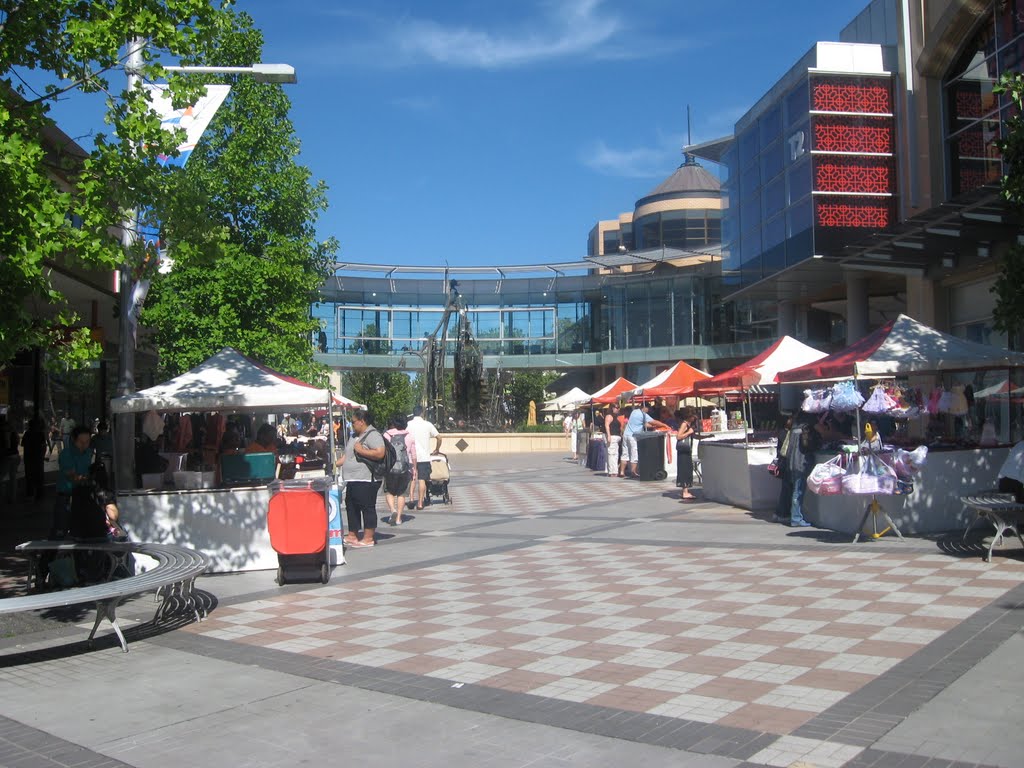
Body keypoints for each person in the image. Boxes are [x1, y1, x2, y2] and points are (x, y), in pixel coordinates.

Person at [335, 408, 386, 548]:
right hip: (352, 479)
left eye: (353, 422)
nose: (351, 425)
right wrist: (334, 465)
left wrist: (361, 450)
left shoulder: (372, 434)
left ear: (362, 421)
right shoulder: (354, 436)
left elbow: (380, 453)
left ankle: (368, 537)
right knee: (351, 506)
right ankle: (352, 535)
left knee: (367, 507)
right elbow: (347, 456)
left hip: (366, 479)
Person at [53, 426, 94, 538]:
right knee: (60, 530)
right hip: (66, 496)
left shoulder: (89, 452)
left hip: (82, 495)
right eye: (81, 442)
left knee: (81, 530)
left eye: (87, 442)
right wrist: (89, 479)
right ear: (73, 440)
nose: (84, 445)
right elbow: (72, 476)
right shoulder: (66, 454)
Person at [785, 414, 821, 528]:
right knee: (798, 490)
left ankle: (796, 516)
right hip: (801, 461)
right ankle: (796, 518)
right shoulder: (807, 426)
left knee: (796, 489)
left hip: (793, 461)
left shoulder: (795, 427)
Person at [382, 414, 417, 526]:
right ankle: (398, 519)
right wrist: (415, 468)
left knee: (389, 491)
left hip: (390, 469)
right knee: (402, 494)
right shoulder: (409, 436)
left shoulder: (387, 435)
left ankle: (393, 510)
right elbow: (414, 454)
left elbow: (383, 452)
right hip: (405, 469)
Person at [620, 402, 669, 479]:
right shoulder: (643, 414)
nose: (648, 411)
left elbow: (643, 424)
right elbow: (653, 421)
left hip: (626, 434)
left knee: (625, 453)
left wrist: (653, 426)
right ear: (645, 407)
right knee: (634, 454)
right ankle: (634, 472)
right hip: (633, 436)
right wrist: (664, 425)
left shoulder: (634, 411)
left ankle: (622, 472)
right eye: (648, 409)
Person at [407, 406, 441, 510]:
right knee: (422, 479)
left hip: (410, 457)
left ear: (413, 413)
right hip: (424, 457)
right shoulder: (428, 424)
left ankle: (412, 499)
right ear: (422, 413)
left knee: (412, 479)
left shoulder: (408, 425)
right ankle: (420, 503)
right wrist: (437, 449)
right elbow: (439, 437)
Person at [675, 407, 704, 500]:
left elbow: (693, 436)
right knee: (684, 469)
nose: (695, 418)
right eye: (693, 416)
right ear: (689, 416)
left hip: (687, 450)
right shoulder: (684, 424)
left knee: (687, 468)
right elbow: (678, 436)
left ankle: (685, 491)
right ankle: (685, 492)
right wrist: (689, 432)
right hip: (683, 450)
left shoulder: (689, 424)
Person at [772, 416, 795, 524]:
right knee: (787, 490)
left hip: (783, 462)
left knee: (785, 489)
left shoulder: (783, 433)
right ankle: (783, 513)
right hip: (786, 463)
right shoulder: (786, 433)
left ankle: (779, 512)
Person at [21, 417, 47, 501]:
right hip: (38, 458)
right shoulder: (40, 434)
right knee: (39, 476)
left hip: (29, 458)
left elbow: (23, 444)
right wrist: (42, 456)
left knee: (29, 476)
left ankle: (30, 493)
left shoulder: (27, 434)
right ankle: (39, 494)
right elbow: (44, 446)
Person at [0, 416, 19, 504]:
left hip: (8, 457)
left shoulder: (6, 433)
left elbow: (7, 445)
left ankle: (3, 497)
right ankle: (12, 497)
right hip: (15, 456)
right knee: (13, 478)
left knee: (1, 476)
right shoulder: (14, 433)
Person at [604, 404, 622, 477]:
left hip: (617, 437)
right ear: (612, 408)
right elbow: (607, 425)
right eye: (616, 407)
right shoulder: (609, 416)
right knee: (611, 454)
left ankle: (615, 471)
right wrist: (608, 435)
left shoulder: (617, 416)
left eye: (618, 408)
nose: (617, 409)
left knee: (615, 454)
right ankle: (612, 471)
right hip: (612, 436)